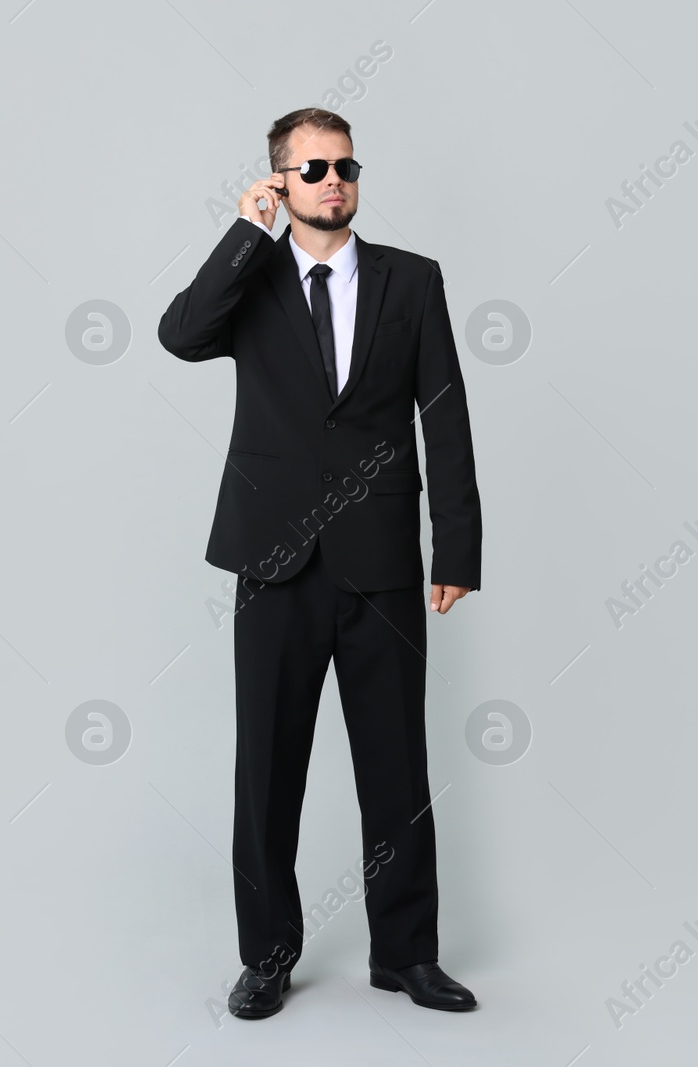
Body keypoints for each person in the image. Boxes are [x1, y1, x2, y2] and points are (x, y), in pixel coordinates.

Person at [158, 107, 482, 1019]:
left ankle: (407, 954)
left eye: (344, 165)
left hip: (380, 562)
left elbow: (445, 415)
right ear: (279, 182)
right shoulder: (250, 277)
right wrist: (241, 233)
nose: (332, 180)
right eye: (310, 170)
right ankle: (266, 955)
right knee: (267, 770)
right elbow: (180, 335)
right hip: (274, 559)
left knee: (397, 768)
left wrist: (455, 545)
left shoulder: (412, 281)